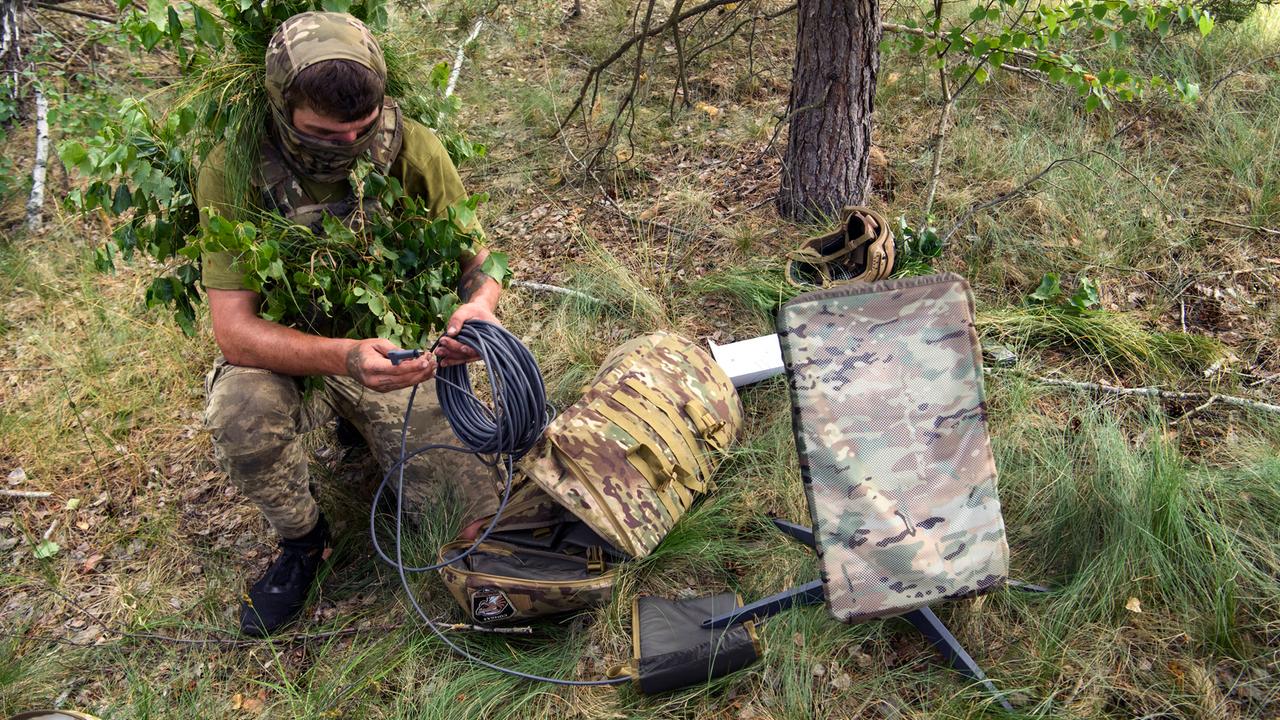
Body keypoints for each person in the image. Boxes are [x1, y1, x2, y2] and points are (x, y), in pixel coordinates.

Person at [197, 11, 502, 637]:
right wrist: (342, 357)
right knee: (241, 410)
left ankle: (373, 437)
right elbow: (234, 331)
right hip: (295, 356)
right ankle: (305, 543)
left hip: (396, 351)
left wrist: (479, 308)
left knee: (473, 518)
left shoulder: (412, 146)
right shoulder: (234, 168)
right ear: (281, 106)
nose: (348, 146)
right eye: (324, 134)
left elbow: (483, 262)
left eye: (362, 130)